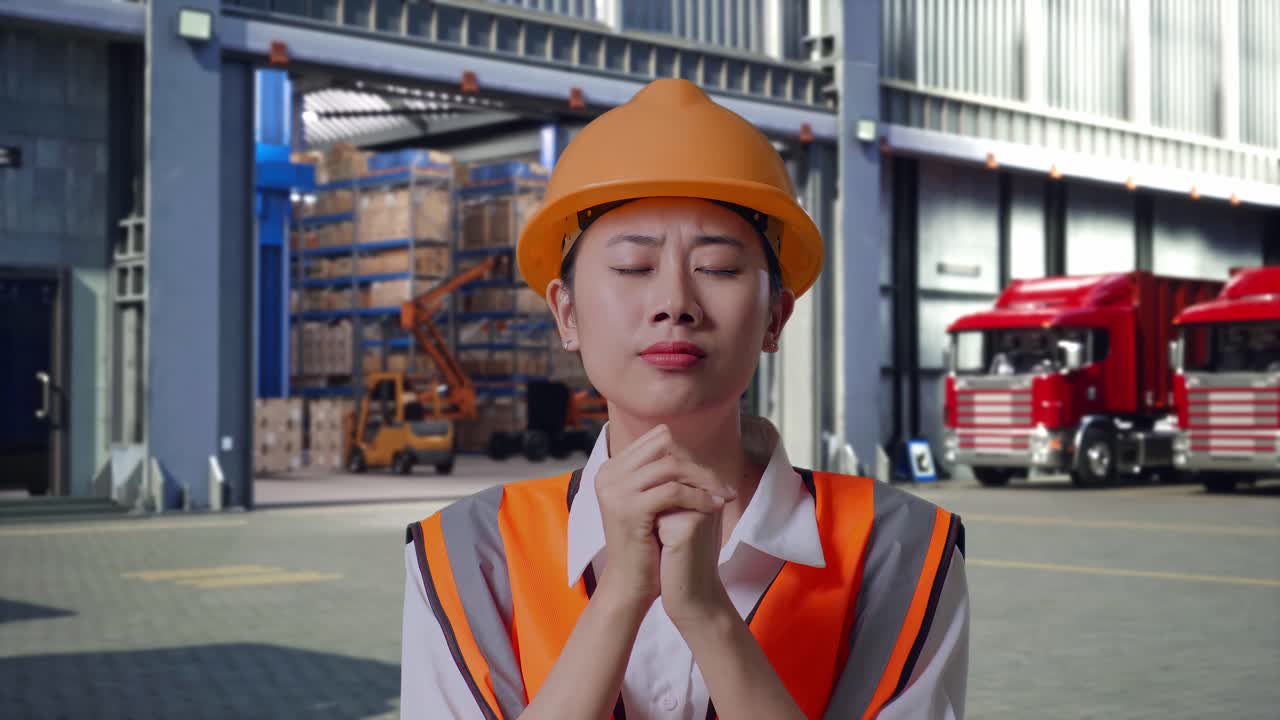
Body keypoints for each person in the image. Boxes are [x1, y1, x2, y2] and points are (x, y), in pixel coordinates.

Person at [401, 78, 968, 719]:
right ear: (567, 314)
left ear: (776, 318)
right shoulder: (470, 552)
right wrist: (620, 596)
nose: (675, 302)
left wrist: (705, 614)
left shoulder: (897, 549)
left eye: (720, 268)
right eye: (633, 268)